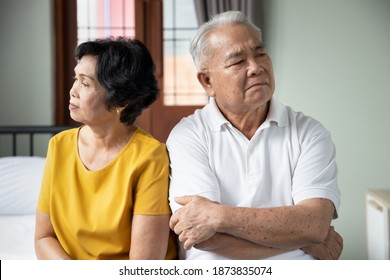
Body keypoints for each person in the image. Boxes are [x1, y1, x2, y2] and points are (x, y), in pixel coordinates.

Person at [167, 11, 343, 260]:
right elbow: (204, 236)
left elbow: (314, 223)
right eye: (238, 62)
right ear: (207, 81)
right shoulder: (189, 136)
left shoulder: (309, 133)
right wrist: (304, 241)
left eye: (260, 54)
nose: (256, 67)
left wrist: (219, 216)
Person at [35, 37, 177, 260]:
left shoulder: (150, 156)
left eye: (85, 83)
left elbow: (143, 265)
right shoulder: (59, 145)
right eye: (75, 78)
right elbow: (43, 238)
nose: (73, 91)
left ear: (121, 101)